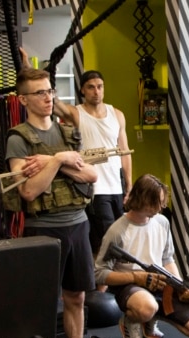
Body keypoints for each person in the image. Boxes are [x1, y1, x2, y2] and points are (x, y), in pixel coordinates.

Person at [5, 67, 98, 338]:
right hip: (43, 228)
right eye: (40, 92)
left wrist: (51, 163)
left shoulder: (68, 133)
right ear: (23, 100)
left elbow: (91, 175)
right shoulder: (18, 139)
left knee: (77, 296)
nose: (48, 98)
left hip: (78, 223)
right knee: (41, 301)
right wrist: (58, 159)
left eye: (50, 91)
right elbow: (30, 190)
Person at [94, 174, 189, 338]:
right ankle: (132, 321)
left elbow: (168, 259)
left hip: (161, 285)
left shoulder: (162, 222)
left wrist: (181, 286)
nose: (161, 208)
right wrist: (136, 277)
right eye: (157, 203)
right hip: (130, 287)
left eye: (162, 202)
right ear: (143, 199)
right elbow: (99, 273)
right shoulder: (117, 230)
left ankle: (156, 314)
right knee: (146, 307)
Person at [53, 70, 132, 257]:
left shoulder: (117, 114)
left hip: (116, 186)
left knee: (119, 235)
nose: (96, 91)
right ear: (82, 90)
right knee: (108, 238)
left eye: (99, 86)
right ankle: (105, 281)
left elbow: (125, 151)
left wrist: (129, 183)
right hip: (94, 187)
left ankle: (110, 280)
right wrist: (28, 69)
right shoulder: (76, 113)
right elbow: (52, 103)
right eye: (91, 87)